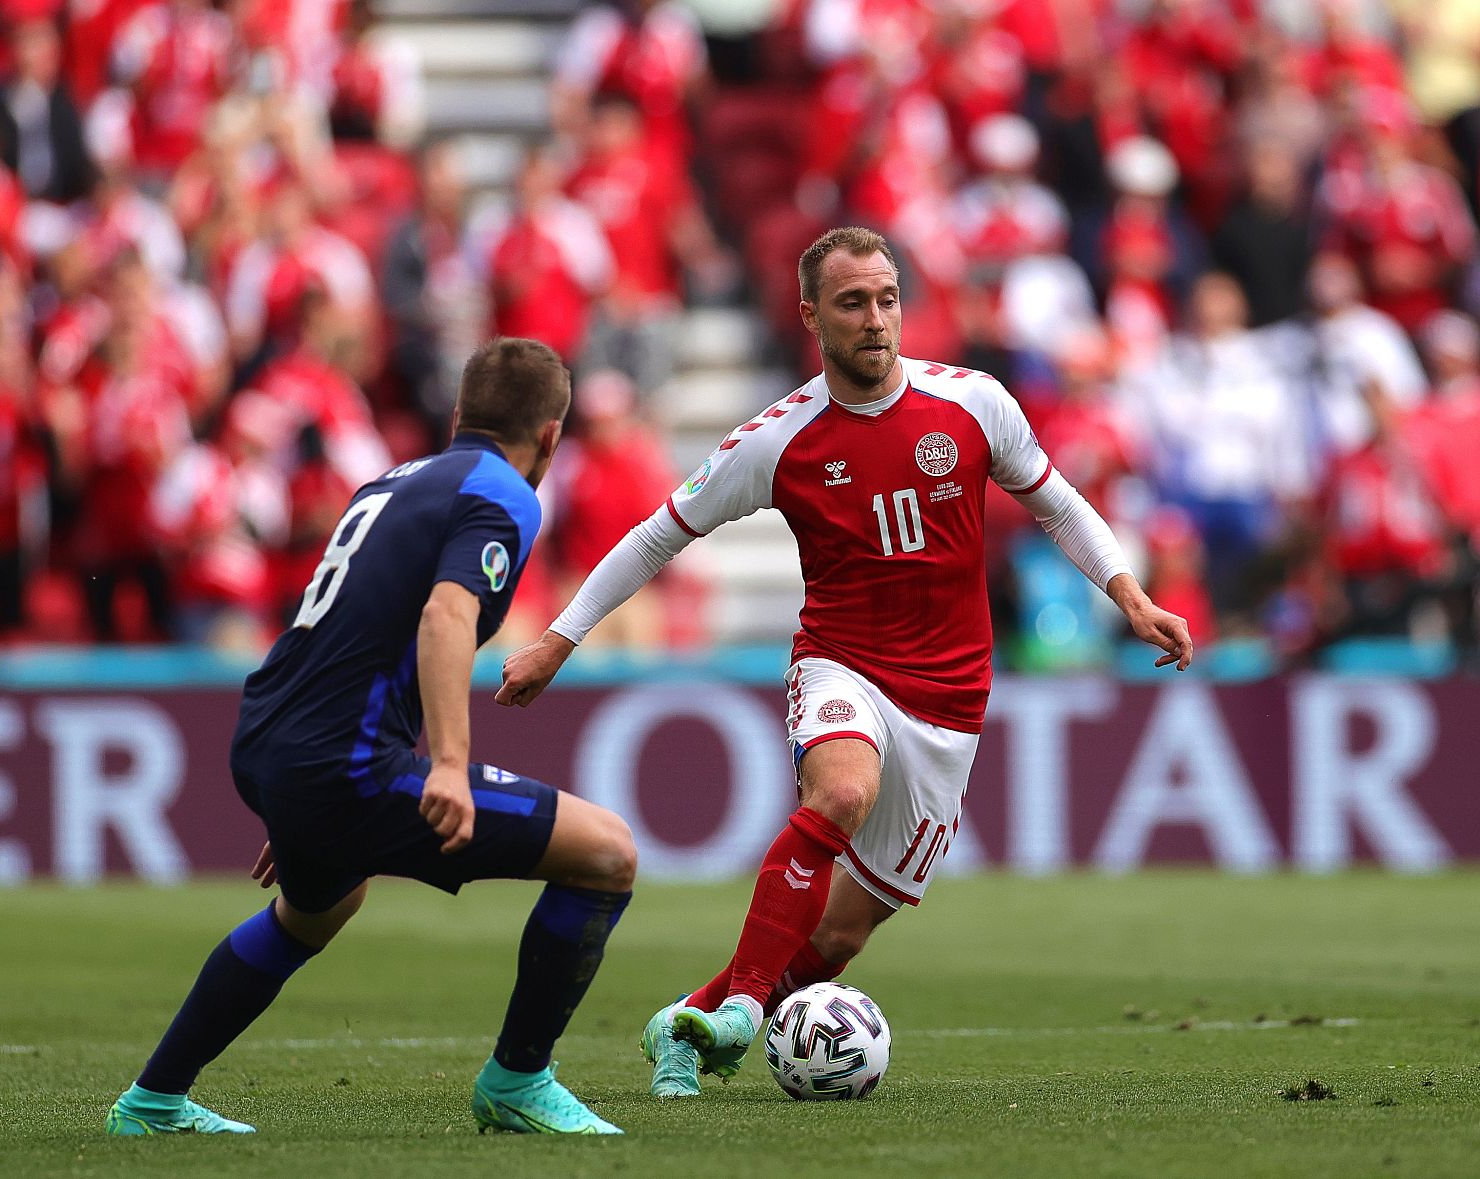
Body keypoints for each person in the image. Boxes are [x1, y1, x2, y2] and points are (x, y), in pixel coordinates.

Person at [497, 227, 1193, 1099]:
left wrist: (1131, 596)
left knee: (840, 939)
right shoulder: (777, 440)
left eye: (888, 298)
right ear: (810, 315)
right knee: (841, 792)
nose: (875, 319)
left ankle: (687, 1021)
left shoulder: (974, 404)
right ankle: (747, 1010)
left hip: (950, 702)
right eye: (853, 302)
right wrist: (559, 637)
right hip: (842, 665)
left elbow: (1057, 503)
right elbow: (658, 534)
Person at [106, 338, 636, 1137]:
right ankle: (519, 1078)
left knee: (317, 909)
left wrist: (300, 795)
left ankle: (152, 1100)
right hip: (337, 761)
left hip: (270, 733)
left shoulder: (391, 481)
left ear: (459, 415)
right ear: (553, 438)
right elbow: (446, 615)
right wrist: (448, 766)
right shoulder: (503, 496)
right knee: (609, 853)